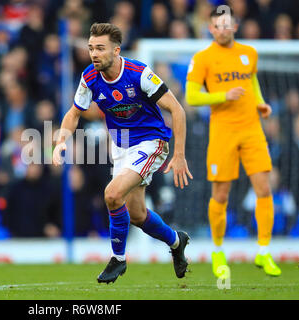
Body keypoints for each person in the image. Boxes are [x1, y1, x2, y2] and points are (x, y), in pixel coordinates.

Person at [52, 23, 193, 284]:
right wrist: (61, 141)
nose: (94, 54)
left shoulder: (139, 74)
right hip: (121, 146)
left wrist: (180, 155)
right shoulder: (89, 77)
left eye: (100, 48)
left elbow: (178, 110)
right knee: (137, 215)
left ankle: (118, 259)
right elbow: (73, 113)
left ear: (116, 51)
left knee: (112, 194)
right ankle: (176, 241)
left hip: (151, 142)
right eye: (91, 48)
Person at [185, 6, 281, 277]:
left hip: (252, 130)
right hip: (223, 132)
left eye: (227, 24)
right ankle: (217, 251)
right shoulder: (203, 58)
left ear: (234, 26)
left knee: (264, 188)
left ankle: (263, 252)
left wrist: (261, 104)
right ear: (211, 28)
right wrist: (223, 96)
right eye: (217, 25)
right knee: (221, 195)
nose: (222, 29)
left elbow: (252, 83)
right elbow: (192, 97)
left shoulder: (249, 54)